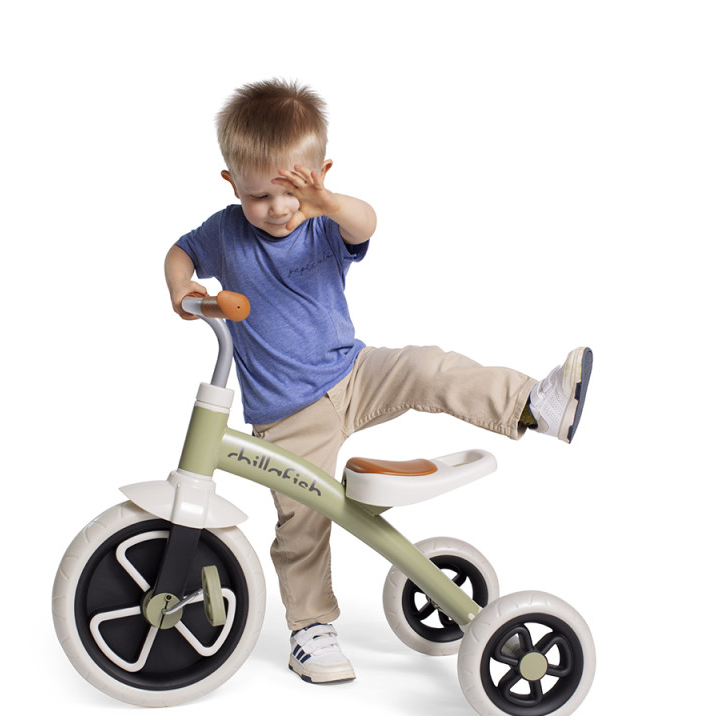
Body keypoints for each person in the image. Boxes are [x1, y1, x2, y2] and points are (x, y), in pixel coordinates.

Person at [164, 79, 592, 684]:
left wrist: (327, 202)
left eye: (291, 192)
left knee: (427, 365)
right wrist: (182, 287)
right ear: (232, 184)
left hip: (355, 372)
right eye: (259, 195)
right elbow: (180, 251)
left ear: (319, 176)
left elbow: (365, 223)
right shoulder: (226, 232)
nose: (278, 208)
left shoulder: (321, 223)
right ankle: (311, 628)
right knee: (302, 523)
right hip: (287, 415)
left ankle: (531, 404)